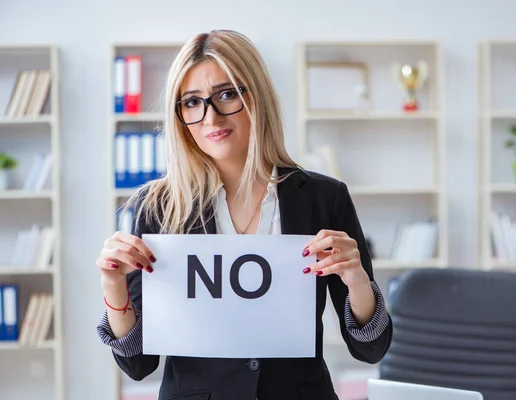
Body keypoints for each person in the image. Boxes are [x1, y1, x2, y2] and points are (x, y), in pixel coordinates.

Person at [96, 29, 392, 400]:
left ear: (258, 96)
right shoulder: (159, 207)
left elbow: (370, 348)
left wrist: (358, 281)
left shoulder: (323, 197)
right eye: (191, 102)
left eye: (227, 94)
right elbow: (138, 363)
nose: (211, 116)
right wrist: (113, 287)